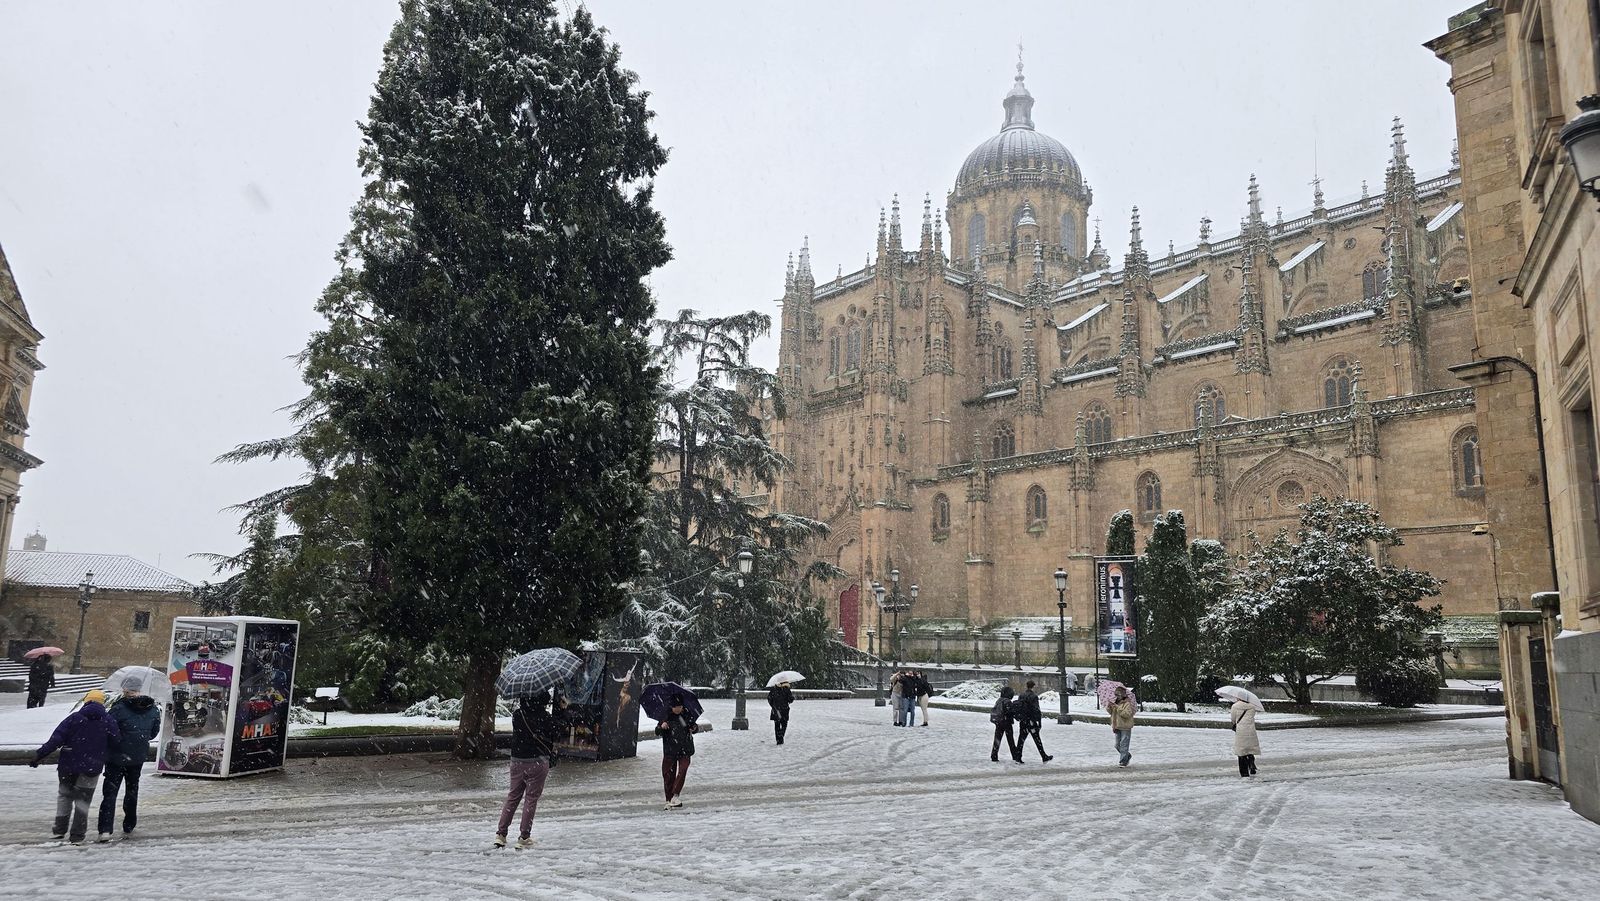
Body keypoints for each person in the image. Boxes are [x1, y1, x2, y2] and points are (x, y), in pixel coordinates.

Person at [30, 689, 120, 844]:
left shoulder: (74, 718)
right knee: (82, 802)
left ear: (86, 701)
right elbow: (116, 741)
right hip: (92, 767)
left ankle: (59, 830)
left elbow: (56, 739)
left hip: (68, 766)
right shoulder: (108, 720)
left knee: (64, 797)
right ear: (102, 703)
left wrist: (39, 756)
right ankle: (77, 835)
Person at [496, 690, 564, 849]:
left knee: (513, 796)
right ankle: (524, 836)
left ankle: (501, 834)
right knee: (531, 799)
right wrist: (561, 710)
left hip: (517, 760)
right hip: (538, 762)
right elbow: (557, 731)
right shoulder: (545, 718)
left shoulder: (518, 715)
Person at [100, 679, 161, 841]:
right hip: (137, 756)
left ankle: (105, 829)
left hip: (116, 757)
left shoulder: (118, 708)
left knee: (110, 793)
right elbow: (153, 733)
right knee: (132, 790)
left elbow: (107, 729)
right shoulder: (153, 709)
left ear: (125, 690)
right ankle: (129, 823)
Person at [655, 693, 700, 809]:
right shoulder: (666, 716)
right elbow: (657, 731)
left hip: (685, 748)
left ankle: (675, 795)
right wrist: (662, 726)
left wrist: (694, 728)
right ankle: (669, 799)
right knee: (668, 775)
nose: (678, 709)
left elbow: (694, 726)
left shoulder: (686, 714)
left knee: (683, 770)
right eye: (676, 707)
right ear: (671, 707)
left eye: (680, 706)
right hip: (670, 750)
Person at [1015, 680, 1052, 763]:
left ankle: (1018, 756)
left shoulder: (1022, 695)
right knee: (1037, 739)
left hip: (1023, 720)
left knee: (1021, 739)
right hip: (1031, 721)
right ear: (1033, 686)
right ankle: (1043, 756)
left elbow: (1018, 707)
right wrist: (1039, 722)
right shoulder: (1034, 696)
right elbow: (1036, 710)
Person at [1230, 697, 1260, 777]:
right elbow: (1251, 717)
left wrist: (1235, 723)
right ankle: (1251, 763)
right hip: (1250, 729)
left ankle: (1244, 773)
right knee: (1249, 748)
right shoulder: (1252, 707)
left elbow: (1233, 719)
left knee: (1241, 751)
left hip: (1241, 730)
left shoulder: (1235, 706)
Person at [1108, 685, 1136, 768]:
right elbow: (1111, 713)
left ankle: (1123, 761)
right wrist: (1109, 707)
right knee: (1117, 745)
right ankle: (1127, 755)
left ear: (1123, 695)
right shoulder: (1115, 702)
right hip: (1117, 726)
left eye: (1118, 694)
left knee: (1124, 744)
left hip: (1125, 726)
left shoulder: (1127, 703)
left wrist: (1118, 708)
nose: (1117, 696)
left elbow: (1127, 714)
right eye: (1116, 694)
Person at [990, 685, 1019, 762]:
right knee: (1010, 740)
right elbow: (1010, 712)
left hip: (998, 722)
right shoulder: (1007, 701)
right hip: (1006, 722)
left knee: (997, 739)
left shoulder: (999, 700)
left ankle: (994, 755)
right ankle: (1015, 755)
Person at [767, 680, 793, 745]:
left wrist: (773, 706)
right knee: (784, 724)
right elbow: (790, 699)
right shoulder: (786, 689)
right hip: (784, 709)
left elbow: (769, 698)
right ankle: (781, 736)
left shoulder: (774, 689)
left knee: (777, 725)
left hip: (776, 710)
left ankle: (778, 740)